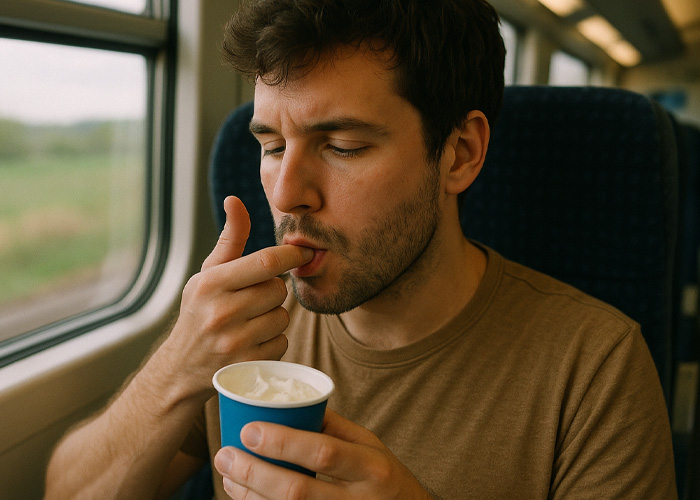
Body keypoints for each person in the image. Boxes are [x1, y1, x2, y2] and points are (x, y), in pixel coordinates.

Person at [45, 0, 678, 499]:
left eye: (342, 145)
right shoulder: (241, 327)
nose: (288, 194)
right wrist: (174, 370)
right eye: (269, 146)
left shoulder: (596, 369)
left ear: (459, 154)